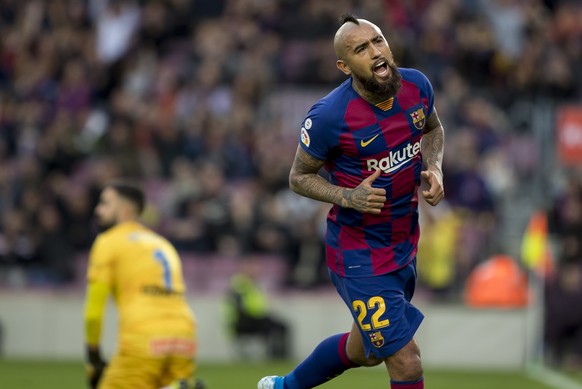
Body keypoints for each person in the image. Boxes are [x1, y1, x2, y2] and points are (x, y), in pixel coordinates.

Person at [258, 13, 445, 389]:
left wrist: (435, 167)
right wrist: (349, 196)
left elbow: (434, 129)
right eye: (361, 48)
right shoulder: (329, 116)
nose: (376, 52)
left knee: (366, 352)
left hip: (404, 243)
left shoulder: (417, 86)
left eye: (378, 41)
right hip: (359, 252)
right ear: (344, 65)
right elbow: (299, 177)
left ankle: (283, 387)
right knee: (406, 361)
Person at [83, 181, 205, 389]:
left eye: (105, 203)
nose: (98, 209)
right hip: (184, 335)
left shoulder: (108, 242)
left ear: (125, 210)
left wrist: (93, 356)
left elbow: (94, 313)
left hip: (143, 337)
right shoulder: (162, 244)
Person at [224, 258, 290, 359]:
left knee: (282, 326)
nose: (256, 271)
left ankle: (278, 355)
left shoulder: (253, 283)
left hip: (257, 317)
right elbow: (239, 306)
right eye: (252, 268)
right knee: (278, 326)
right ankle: (276, 356)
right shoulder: (240, 283)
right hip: (246, 320)